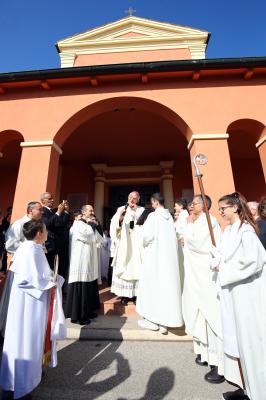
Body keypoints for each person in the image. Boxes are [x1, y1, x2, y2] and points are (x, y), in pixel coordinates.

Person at [0, 219, 65, 399]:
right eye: (45, 230)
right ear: (38, 233)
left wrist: (51, 280)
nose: (46, 233)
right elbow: (27, 281)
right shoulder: (33, 250)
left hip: (22, 305)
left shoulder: (25, 247)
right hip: (29, 308)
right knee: (26, 342)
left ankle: (15, 384)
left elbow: (34, 276)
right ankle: (21, 387)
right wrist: (50, 284)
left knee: (19, 342)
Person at [211, 192, 266, 400]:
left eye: (223, 207)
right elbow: (226, 257)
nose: (221, 212)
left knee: (252, 344)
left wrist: (224, 268)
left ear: (235, 207)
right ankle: (248, 389)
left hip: (247, 295)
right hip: (234, 294)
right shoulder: (229, 231)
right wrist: (217, 261)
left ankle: (259, 393)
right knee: (240, 342)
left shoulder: (246, 232)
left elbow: (253, 261)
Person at [182, 194, 227, 384]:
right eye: (191, 203)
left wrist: (188, 230)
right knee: (198, 312)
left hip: (206, 275)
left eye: (195, 203)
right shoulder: (197, 221)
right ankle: (204, 353)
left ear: (204, 205)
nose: (191, 206)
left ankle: (218, 364)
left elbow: (200, 245)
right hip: (195, 275)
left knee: (210, 314)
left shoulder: (210, 221)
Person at [137, 193, 183, 334]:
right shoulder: (170, 217)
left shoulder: (153, 216)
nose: (152, 206)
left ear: (155, 202)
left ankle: (152, 320)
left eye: (152, 203)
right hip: (168, 260)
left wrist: (141, 231)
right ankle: (165, 322)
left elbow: (146, 237)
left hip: (154, 258)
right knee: (166, 288)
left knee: (152, 286)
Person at [0, 201, 43, 338]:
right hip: (20, 265)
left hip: (33, 266)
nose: (42, 212)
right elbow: (10, 245)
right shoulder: (18, 224)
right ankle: (8, 330)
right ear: (30, 211)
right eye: (39, 210)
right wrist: (29, 245)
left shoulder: (40, 225)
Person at [66, 205, 103, 325]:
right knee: (81, 286)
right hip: (81, 262)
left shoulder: (88, 224)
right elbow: (87, 236)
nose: (92, 212)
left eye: (93, 210)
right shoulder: (78, 224)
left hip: (90, 261)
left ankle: (88, 310)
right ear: (83, 212)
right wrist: (92, 225)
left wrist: (96, 226)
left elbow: (99, 239)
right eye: (90, 210)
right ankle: (79, 315)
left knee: (90, 285)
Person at [110, 191, 144, 305]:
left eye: (135, 198)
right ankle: (124, 295)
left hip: (136, 244)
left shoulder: (141, 210)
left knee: (136, 267)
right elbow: (114, 224)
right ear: (128, 198)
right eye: (130, 197)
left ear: (138, 199)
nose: (132, 199)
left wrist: (135, 212)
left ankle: (135, 294)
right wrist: (120, 218)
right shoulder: (121, 208)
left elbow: (143, 224)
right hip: (124, 243)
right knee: (124, 267)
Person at [40, 193, 70, 282]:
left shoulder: (53, 211)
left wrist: (66, 212)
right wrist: (58, 212)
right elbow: (47, 224)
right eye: (49, 199)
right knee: (51, 269)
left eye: (52, 198)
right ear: (43, 201)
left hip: (60, 244)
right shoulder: (42, 211)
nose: (52, 200)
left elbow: (62, 224)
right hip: (51, 245)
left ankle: (59, 291)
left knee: (60, 268)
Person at [174, 198, 189, 291]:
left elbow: (183, 229)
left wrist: (182, 238)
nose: (174, 207)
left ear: (181, 206)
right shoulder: (182, 214)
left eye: (176, 205)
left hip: (182, 241)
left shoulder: (184, 214)